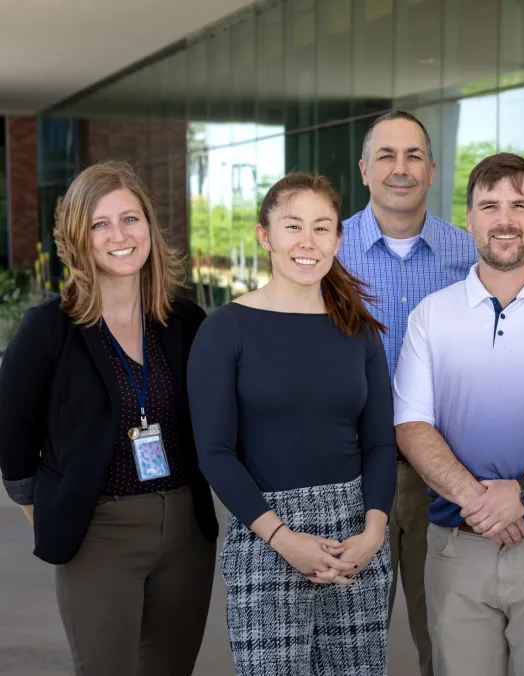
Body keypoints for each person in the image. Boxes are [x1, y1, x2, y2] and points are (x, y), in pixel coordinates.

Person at [0, 161, 217, 675]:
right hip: (98, 532)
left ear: (148, 226)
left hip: (187, 529)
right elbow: (13, 449)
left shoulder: (184, 319)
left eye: (130, 218)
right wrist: (60, 515)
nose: (118, 235)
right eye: (100, 224)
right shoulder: (48, 330)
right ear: (78, 237)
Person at [187, 173, 396, 674]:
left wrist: (373, 532)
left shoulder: (359, 329)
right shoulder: (224, 329)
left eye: (322, 228)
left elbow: (380, 446)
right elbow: (214, 453)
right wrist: (283, 538)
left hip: (355, 539)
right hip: (265, 535)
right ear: (265, 235)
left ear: (338, 240)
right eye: (293, 226)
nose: (308, 241)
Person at [393, 153, 524, 676]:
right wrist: (480, 502)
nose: (504, 219)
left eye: (519, 205)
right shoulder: (432, 316)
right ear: (468, 218)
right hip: (457, 547)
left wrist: (523, 493)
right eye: (490, 206)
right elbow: (412, 425)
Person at [338, 110, 477, 676]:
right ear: (365, 168)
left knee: (444, 641)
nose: (401, 168)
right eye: (388, 156)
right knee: (347, 645)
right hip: (346, 475)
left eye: (414, 156)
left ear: (432, 170)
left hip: (440, 475)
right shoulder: (326, 253)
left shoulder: (468, 256)